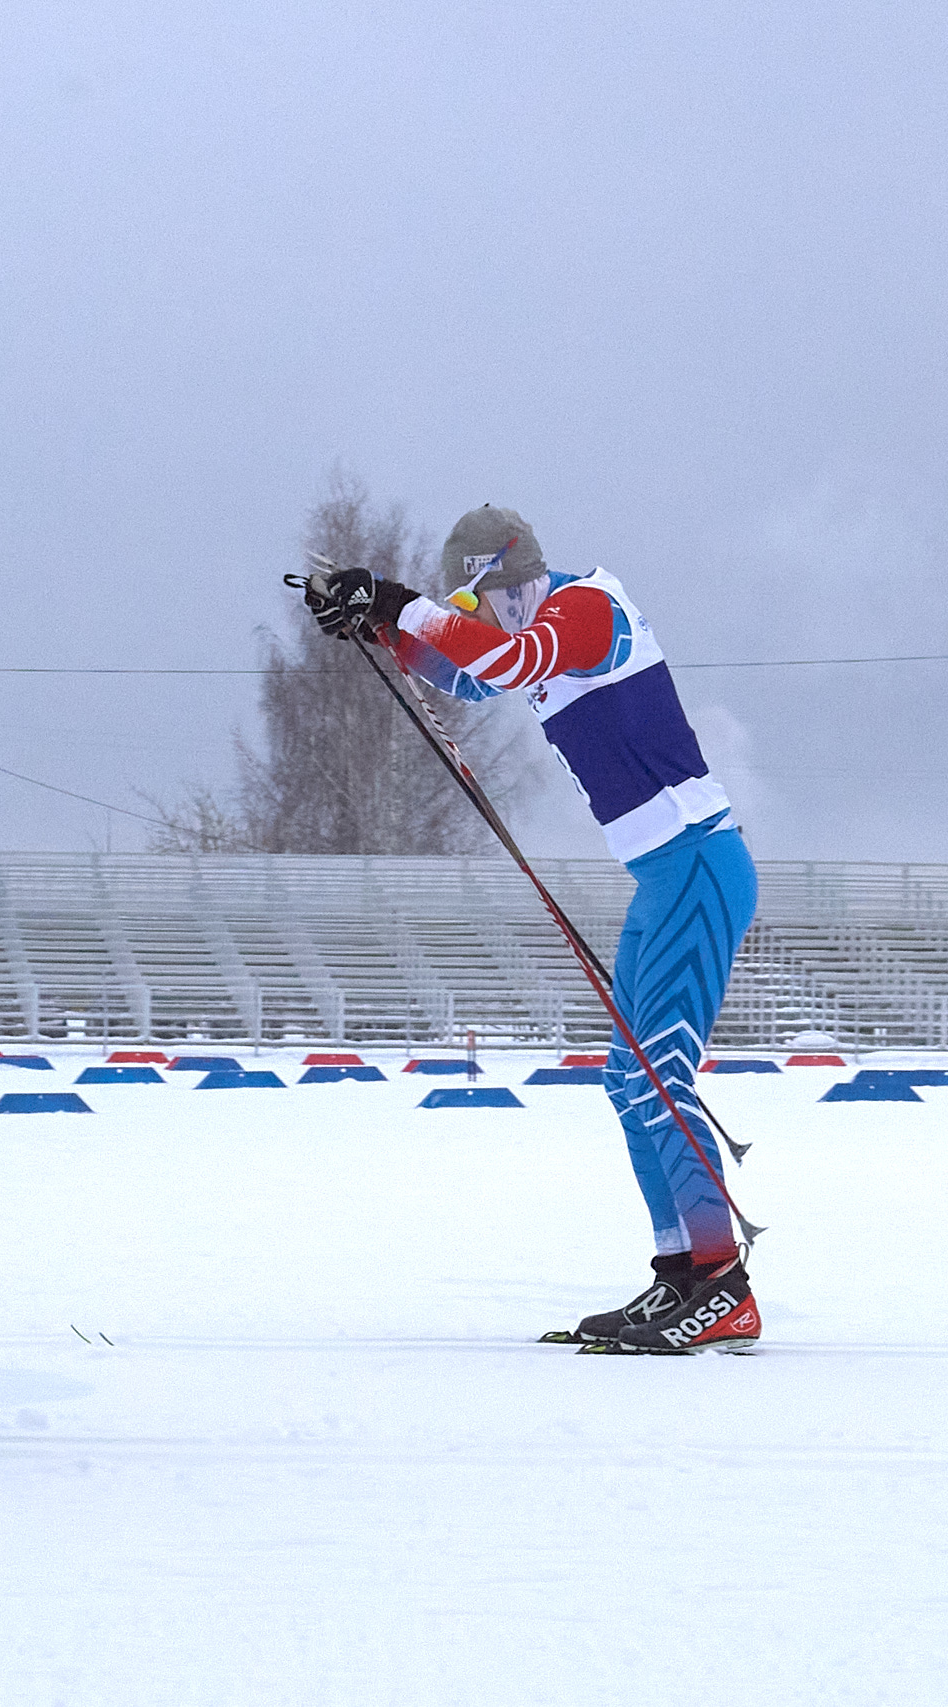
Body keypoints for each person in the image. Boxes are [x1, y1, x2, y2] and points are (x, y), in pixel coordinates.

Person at [301, 505, 762, 1354]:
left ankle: (724, 1283)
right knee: (627, 1082)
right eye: (475, 604)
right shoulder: (528, 635)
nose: (491, 615)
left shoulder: (588, 609)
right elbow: (469, 676)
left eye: (496, 595)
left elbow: (508, 656)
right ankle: (681, 1276)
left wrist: (403, 603)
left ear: (524, 575)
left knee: (660, 1073)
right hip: (662, 876)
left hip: (699, 860)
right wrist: (380, 626)